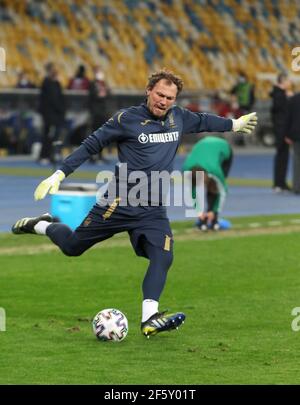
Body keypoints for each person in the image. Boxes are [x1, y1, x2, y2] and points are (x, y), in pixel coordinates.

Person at [11, 69, 257, 338]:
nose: (164, 101)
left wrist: (233, 124)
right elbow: (91, 145)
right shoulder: (125, 119)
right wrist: (59, 174)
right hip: (119, 203)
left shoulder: (179, 117)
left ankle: (149, 318)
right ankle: (43, 225)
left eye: (170, 98)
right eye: (160, 95)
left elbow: (204, 121)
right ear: (149, 90)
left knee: (163, 256)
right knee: (72, 247)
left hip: (152, 209)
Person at [183, 136, 233, 231]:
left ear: (206, 176)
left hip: (223, 147)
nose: (202, 186)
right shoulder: (186, 170)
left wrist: (214, 211)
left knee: (214, 187)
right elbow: (192, 191)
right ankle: (205, 217)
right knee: (209, 186)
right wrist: (199, 212)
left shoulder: (214, 171)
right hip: (203, 145)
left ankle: (213, 217)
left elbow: (223, 190)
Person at [270, 73, 293, 192]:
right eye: (288, 80)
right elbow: (281, 115)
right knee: (281, 157)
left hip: (281, 130)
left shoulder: (279, 94)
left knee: (283, 157)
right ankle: (278, 183)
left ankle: (280, 182)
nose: (290, 83)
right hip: (281, 130)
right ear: (283, 81)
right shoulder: (279, 95)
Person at [38, 62, 65, 165]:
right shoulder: (46, 82)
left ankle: (52, 154)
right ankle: (44, 155)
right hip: (49, 115)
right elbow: (50, 100)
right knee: (48, 135)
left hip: (56, 115)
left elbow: (61, 98)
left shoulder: (56, 83)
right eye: (54, 69)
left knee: (55, 136)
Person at [88, 66, 110, 163]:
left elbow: (108, 95)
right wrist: (100, 94)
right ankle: (92, 156)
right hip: (95, 113)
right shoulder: (93, 84)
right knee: (94, 135)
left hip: (103, 112)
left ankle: (100, 156)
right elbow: (93, 96)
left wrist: (105, 90)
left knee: (103, 135)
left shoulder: (104, 84)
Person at [284, 91, 300, 194]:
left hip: (296, 134)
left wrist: (287, 134)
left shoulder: (293, 99)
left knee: (297, 161)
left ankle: (296, 187)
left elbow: (287, 117)